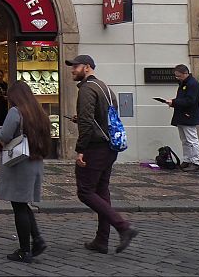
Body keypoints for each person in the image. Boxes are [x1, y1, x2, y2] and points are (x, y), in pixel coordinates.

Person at [66, 54, 138, 254]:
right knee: (101, 191)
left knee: (85, 191)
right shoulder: (104, 87)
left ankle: (123, 226)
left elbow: (88, 122)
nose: (72, 70)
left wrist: (80, 149)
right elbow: (105, 116)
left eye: (75, 66)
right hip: (109, 146)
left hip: (95, 148)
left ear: (87, 67)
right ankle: (102, 240)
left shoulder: (87, 89)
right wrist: (80, 118)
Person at [0, 80, 51, 263]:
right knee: (23, 204)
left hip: (20, 163)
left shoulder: (15, 112)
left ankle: (24, 250)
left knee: (18, 206)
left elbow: (5, 136)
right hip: (35, 161)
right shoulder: (39, 112)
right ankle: (38, 239)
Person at [167, 63, 199, 172]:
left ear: (185, 73)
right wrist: (173, 103)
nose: (177, 78)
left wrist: (174, 102)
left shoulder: (192, 84)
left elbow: (190, 101)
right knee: (184, 140)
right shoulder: (184, 83)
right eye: (176, 76)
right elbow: (183, 99)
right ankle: (187, 160)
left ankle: (195, 162)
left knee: (192, 140)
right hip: (182, 115)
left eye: (179, 76)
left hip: (189, 115)